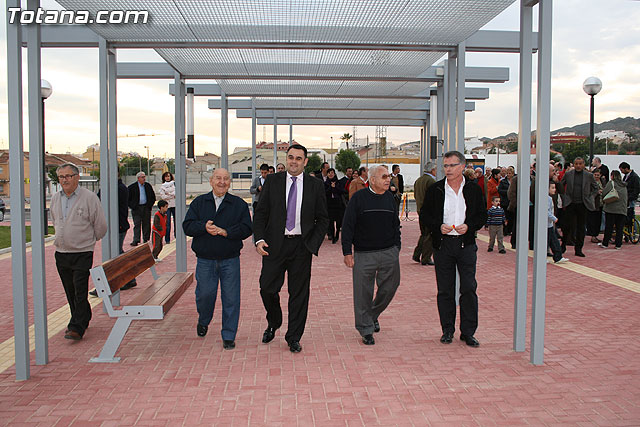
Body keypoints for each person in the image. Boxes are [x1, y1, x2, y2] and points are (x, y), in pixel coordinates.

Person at [253, 144, 329, 353]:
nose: (294, 161)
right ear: (286, 159)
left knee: (299, 294)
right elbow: (261, 213)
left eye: (298, 158)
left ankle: (293, 336)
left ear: (305, 162)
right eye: (291, 157)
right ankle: (274, 321)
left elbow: (323, 218)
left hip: (301, 247)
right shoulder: (273, 181)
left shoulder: (315, 185)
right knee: (267, 288)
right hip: (274, 245)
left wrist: (312, 244)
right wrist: (259, 239)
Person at [420, 151, 486, 347]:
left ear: (462, 167)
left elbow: (482, 215)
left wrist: (470, 226)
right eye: (445, 166)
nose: (447, 169)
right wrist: (438, 226)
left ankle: (468, 332)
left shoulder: (473, 189)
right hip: (443, 245)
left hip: (466, 245)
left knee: (469, 288)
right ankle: (447, 330)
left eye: (452, 165)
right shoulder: (436, 189)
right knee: (445, 290)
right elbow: (425, 215)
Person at [183, 169, 252, 349]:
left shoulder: (238, 204)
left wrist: (227, 232)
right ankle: (204, 319)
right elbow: (187, 226)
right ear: (211, 181)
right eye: (218, 178)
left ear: (230, 182)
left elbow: (247, 228)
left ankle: (229, 335)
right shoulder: (199, 203)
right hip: (205, 260)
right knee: (205, 295)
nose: (222, 182)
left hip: (230, 260)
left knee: (231, 298)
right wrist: (203, 227)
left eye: (226, 179)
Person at [342, 165, 401, 346]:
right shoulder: (359, 198)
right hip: (364, 254)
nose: (388, 179)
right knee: (362, 293)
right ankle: (366, 329)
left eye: (388, 176)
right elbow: (348, 225)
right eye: (384, 177)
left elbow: (395, 224)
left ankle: (372, 315)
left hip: (388, 252)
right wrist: (347, 252)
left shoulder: (390, 198)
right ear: (372, 180)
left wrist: (397, 247)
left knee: (390, 287)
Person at [50, 163, 107, 340]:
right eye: (61, 177)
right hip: (62, 252)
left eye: (68, 176)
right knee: (70, 290)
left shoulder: (89, 198)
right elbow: (55, 220)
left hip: (82, 252)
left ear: (77, 177)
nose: (64, 180)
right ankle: (83, 316)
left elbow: (100, 225)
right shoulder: (55, 198)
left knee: (80, 289)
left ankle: (76, 327)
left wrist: (89, 241)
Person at [89, 172, 137, 297]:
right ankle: (130, 278)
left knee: (113, 255)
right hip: (117, 225)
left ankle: (106, 285)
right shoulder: (117, 187)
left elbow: (100, 201)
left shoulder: (117, 189)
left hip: (117, 226)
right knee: (116, 254)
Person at [559, 157, 598, 257]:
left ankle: (578, 249)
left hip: (583, 204)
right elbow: (561, 185)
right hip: (570, 203)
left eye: (580, 164)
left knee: (581, 227)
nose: (578, 166)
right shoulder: (568, 174)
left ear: (584, 164)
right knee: (567, 226)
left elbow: (595, 188)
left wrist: (590, 197)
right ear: (574, 164)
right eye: (576, 164)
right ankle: (563, 245)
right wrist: (564, 197)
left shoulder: (589, 175)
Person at [412, 162, 437, 265]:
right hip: (428, 211)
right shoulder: (431, 181)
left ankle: (417, 254)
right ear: (432, 170)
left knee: (424, 234)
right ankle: (426, 258)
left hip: (420, 209)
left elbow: (415, 195)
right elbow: (433, 198)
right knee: (430, 235)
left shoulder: (419, 180)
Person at [599, 170, 628, 250]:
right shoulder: (624, 185)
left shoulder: (611, 183)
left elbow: (604, 193)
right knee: (619, 228)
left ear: (612, 176)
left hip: (611, 209)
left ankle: (605, 243)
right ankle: (618, 244)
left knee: (609, 227)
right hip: (622, 209)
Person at [128, 171, 156, 246]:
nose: (144, 178)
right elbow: (128, 198)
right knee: (137, 224)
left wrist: (149, 205)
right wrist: (133, 206)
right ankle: (136, 239)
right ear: (138, 178)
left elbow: (153, 197)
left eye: (144, 177)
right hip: (136, 208)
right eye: (142, 177)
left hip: (146, 208)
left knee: (146, 224)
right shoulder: (132, 187)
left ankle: (146, 239)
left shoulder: (148, 186)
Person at [548, 181, 569, 264]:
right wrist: (554, 218)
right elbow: (546, 211)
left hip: (549, 224)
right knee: (551, 241)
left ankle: (558, 257)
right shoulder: (547, 199)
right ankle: (557, 257)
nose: (554, 190)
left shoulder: (549, 198)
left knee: (553, 241)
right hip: (547, 224)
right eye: (552, 188)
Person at [324, 168, 345, 244]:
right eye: (329, 173)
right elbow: (325, 193)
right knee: (331, 222)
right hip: (329, 204)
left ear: (334, 174)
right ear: (327, 174)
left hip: (338, 204)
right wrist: (331, 187)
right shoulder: (325, 183)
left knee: (338, 221)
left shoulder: (338, 182)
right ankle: (332, 236)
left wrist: (335, 187)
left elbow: (342, 191)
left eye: (332, 172)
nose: (330, 174)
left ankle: (337, 234)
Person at [586, 169, 604, 243]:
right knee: (593, 220)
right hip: (593, 204)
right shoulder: (590, 182)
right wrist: (596, 192)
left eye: (598, 175)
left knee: (598, 220)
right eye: (595, 175)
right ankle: (593, 235)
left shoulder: (602, 181)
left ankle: (595, 234)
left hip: (601, 203)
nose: (596, 176)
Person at [619, 162, 639, 228]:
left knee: (631, 215)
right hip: (627, 198)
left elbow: (637, 189)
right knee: (627, 215)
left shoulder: (635, 177)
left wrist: (631, 197)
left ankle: (633, 229)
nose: (621, 172)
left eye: (622, 170)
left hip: (630, 199)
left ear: (626, 169)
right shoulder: (626, 176)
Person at [158, 171, 176, 243]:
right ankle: (167, 239)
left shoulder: (174, 184)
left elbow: (176, 193)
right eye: (166, 176)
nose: (167, 178)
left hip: (175, 205)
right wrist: (171, 195)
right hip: (167, 207)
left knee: (176, 222)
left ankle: (177, 237)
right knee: (167, 223)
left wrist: (168, 194)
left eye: (168, 176)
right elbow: (163, 197)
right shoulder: (162, 186)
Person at [498, 166, 514, 236]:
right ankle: (505, 230)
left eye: (510, 173)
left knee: (511, 217)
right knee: (504, 217)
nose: (508, 175)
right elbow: (499, 190)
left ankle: (510, 230)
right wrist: (508, 192)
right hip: (505, 201)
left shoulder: (515, 181)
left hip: (512, 202)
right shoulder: (503, 181)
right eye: (507, 173)